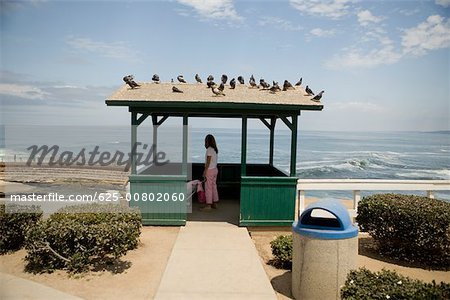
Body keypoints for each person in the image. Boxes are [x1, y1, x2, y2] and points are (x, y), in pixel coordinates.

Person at [201, 134, 219, 211]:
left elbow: (208, 162)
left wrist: (205, 171)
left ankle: (208, 205)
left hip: (210, 170)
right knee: (214, 186)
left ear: (207, 141)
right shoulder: (215, 150)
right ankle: (215, 202)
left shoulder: (209, 150)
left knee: (208, 188)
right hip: (215, 169)